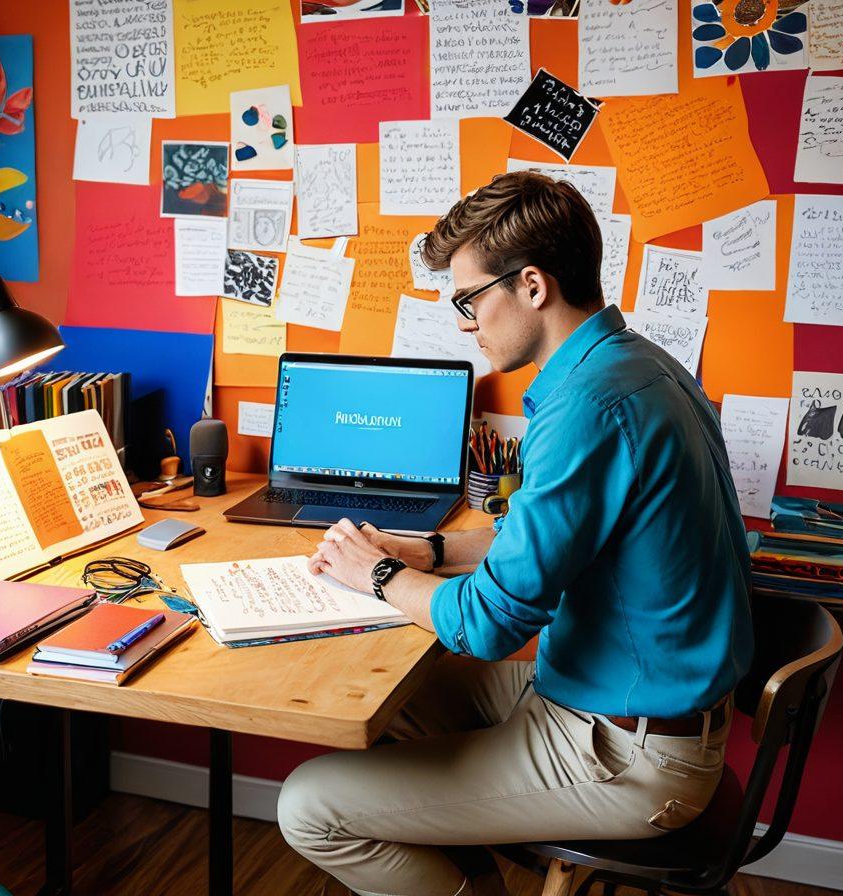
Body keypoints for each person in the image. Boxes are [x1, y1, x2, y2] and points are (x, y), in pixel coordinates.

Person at [276, 171, 753, 896]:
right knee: (396, 706)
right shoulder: (642, 367)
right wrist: (423, 552)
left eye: (469, 300)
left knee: (307, 806)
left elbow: (490, 625)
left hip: (627, 750)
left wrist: (373, 575)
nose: (465, 322)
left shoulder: (588, 406)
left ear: (532, 285)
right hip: (619, 698)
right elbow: (536, 538)